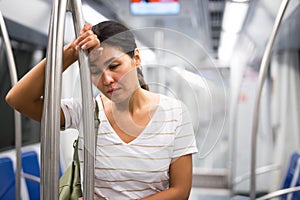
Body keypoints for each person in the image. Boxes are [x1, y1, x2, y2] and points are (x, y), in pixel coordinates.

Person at [6, 20, 198, 199]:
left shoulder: (175, 113)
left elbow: (180, 191)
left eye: (114, 66)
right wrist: (70, 53)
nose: (106, 80)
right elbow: (18, 99)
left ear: (136, 59)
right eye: (95, 71)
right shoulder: (86, 111)